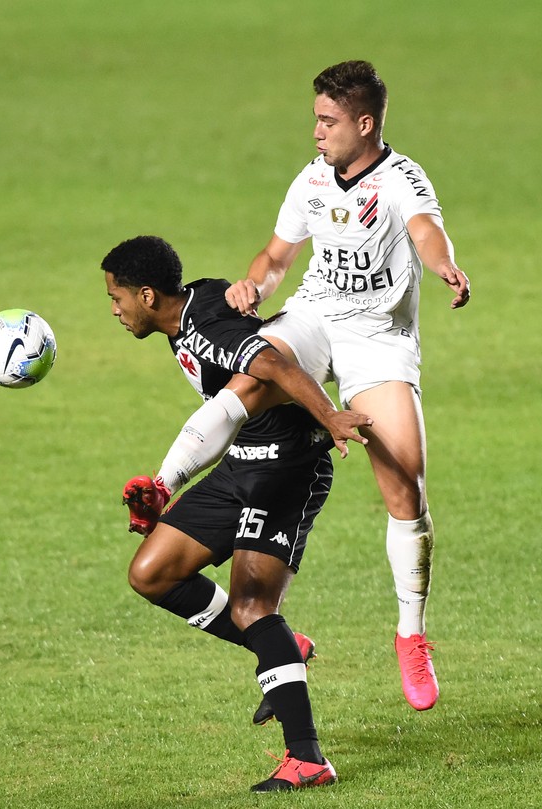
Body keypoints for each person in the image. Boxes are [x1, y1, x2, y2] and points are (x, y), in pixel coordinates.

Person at [224, 60, 471, 712]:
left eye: (327, 121)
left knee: (405, 483)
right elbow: (276, 257)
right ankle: (172, 484)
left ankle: (411, 634)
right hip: (316, 316)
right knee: (249, 374)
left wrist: (445, 266)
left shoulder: (401, 179)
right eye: (315, 118)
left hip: (377, 338)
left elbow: (425, 231)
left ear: (364, 124)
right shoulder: (311, 179)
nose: (316, 131)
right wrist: (254, 286)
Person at [102, 235, 369, 791]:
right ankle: (279, 645)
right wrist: (162, 489)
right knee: (151, 573)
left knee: (252, 605)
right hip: (240, 463)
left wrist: (330, 417)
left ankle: (307, 759)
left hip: (286, 467)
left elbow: (271, 363)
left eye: (116, 298)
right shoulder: (194, 309)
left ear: (147, 295)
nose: (115, 310)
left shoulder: (203, 328)